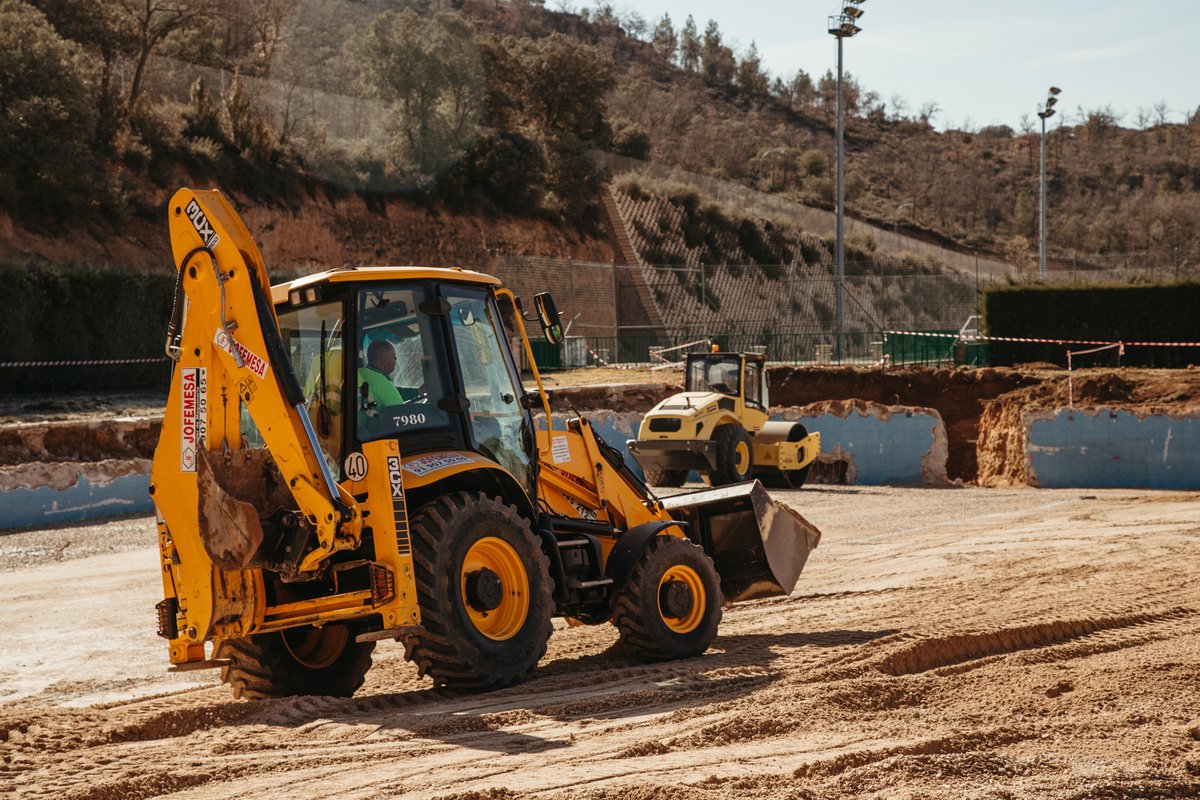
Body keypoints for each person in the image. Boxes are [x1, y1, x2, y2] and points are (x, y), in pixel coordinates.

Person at [358, 339, 404, 409]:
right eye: (393, 355)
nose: (396, 358)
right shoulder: (383, 383)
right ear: (384, 360)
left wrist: (417, 392)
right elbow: (401, 414)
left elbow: (387, 393)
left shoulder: (361, 372)